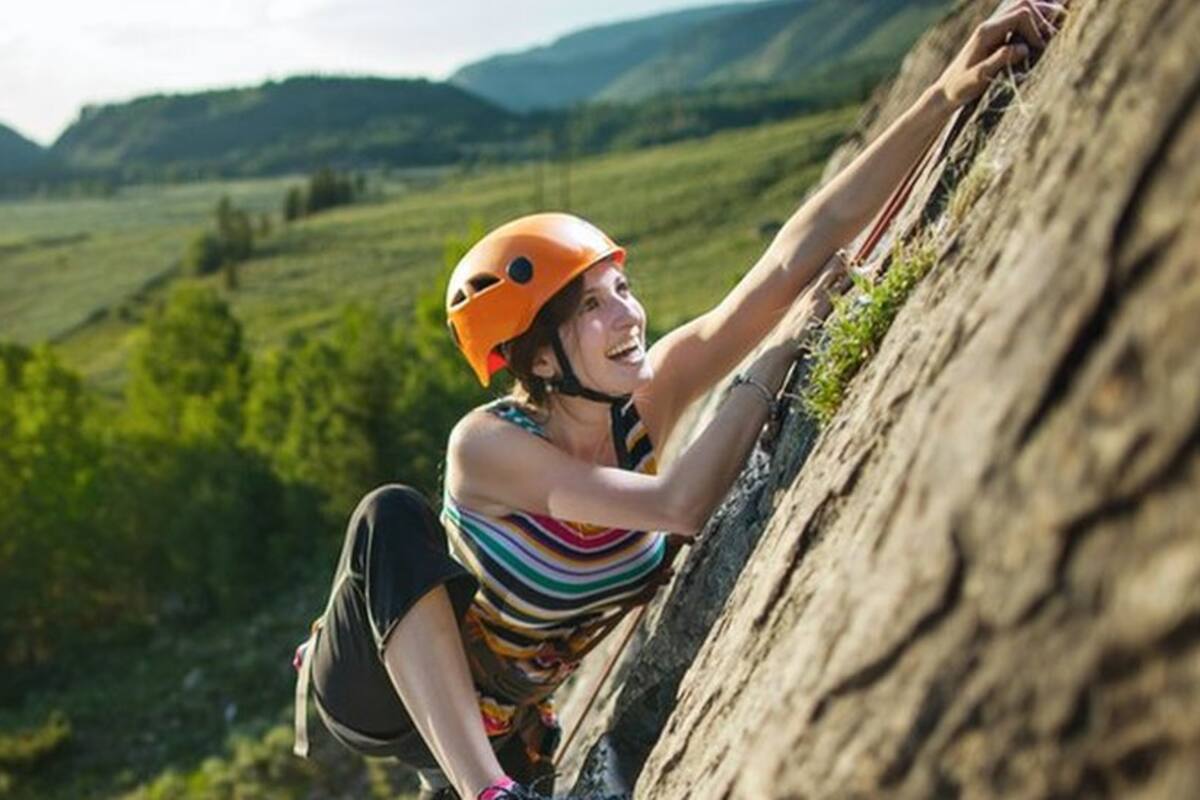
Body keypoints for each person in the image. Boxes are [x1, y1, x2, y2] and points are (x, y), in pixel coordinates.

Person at [293, 3, 1064, 798]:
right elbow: (680, 504)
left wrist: (946, 92)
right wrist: (777, 354)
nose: (627, 317)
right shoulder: (489, 448)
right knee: (387, 515)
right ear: (538, 356)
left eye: (621, 289)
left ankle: (475, 779)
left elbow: (795, 252)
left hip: (497, 715)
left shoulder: (645, 399)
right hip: (378, 687)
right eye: (589, 308)